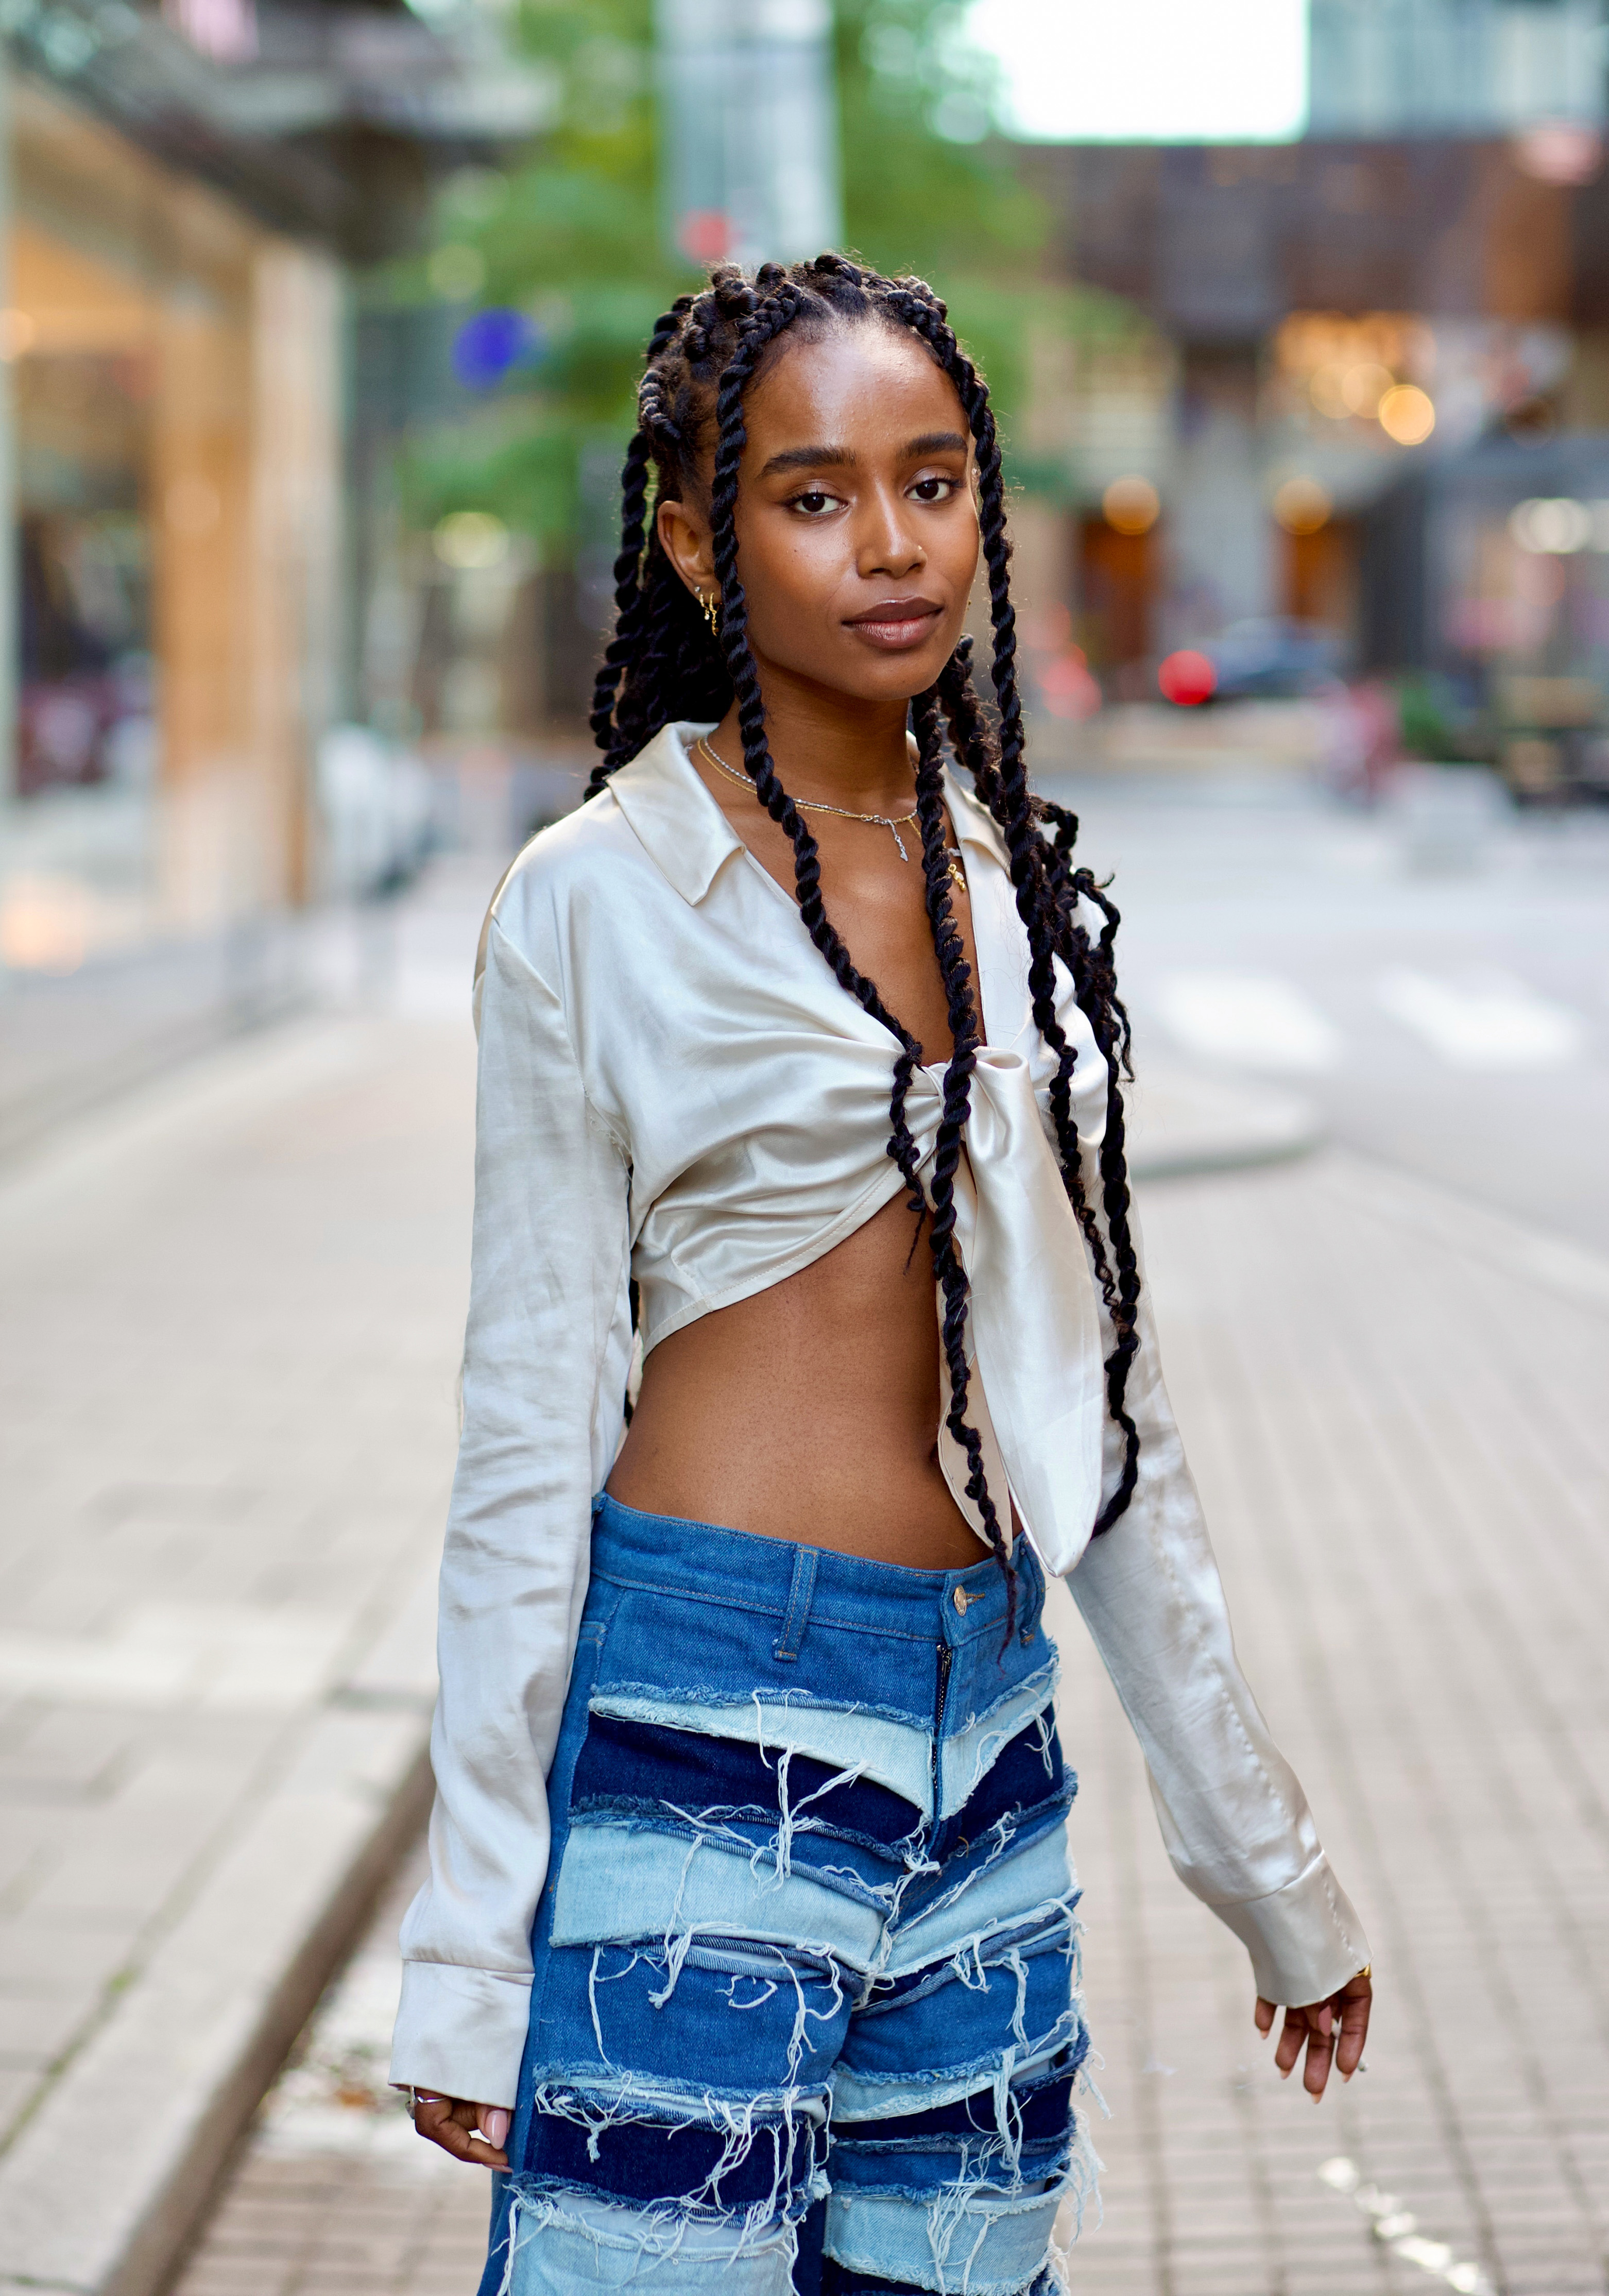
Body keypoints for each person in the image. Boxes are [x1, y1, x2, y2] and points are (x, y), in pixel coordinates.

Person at [388, 254, 1372, 2296]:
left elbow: (1107, 1430)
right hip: (702, 1705)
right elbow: (524, 1417)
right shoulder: (595, 900)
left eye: (930, 481)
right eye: (814, 494)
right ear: (693, 535)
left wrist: (1266, 1865)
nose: (893, 542)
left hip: (985, 1732)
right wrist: (472, 1940)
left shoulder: (1010, 894)